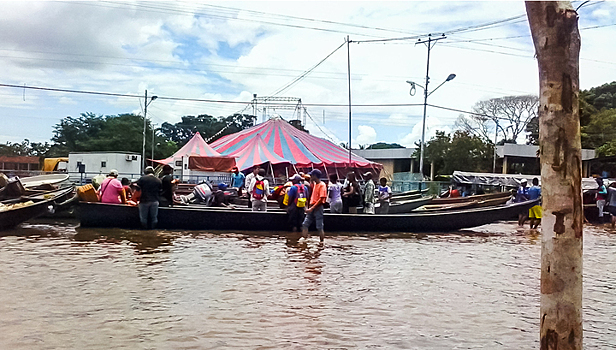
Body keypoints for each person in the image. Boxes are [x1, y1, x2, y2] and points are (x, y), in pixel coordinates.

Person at [302, 169, 327, 242]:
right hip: (312, 206)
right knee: (305, 224)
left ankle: (321, 242)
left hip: (318, 207)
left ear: (315, 176)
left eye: (311, 175)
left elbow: (321, 199)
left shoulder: (322, 185)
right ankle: (304, 240)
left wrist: (311, 208)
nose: (310, 177)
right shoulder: (315, 184)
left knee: (319, 226)